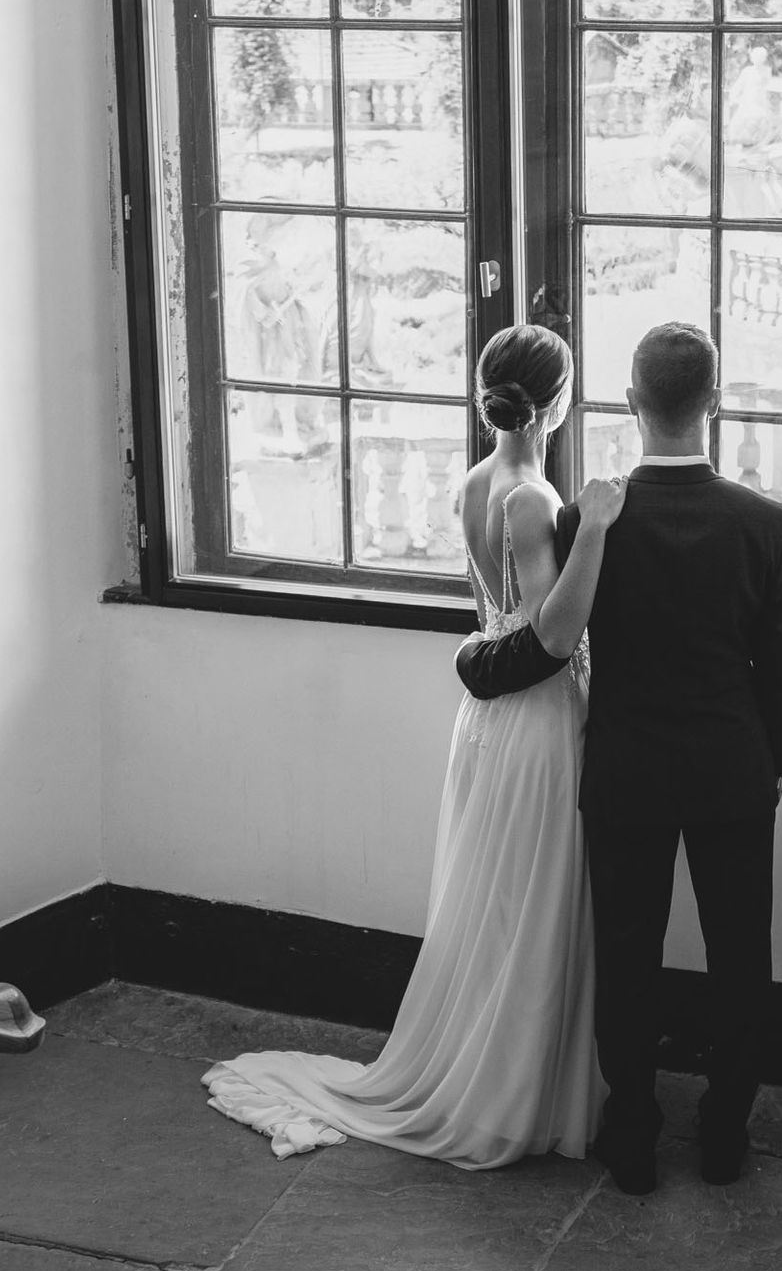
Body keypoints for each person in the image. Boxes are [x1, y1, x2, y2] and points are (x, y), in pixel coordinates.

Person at [200, 325, 624, 1166]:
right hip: (536, 721)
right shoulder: (531, 498)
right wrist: (601, 530)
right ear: (558, 400)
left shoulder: (476, 479)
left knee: (499, 907)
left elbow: (498, 621)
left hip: (487, 723)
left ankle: (503, 1077)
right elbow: (549, 631)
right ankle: (510, 1097)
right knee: (531, 906)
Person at [459, 321, 782, 1195]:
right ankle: (725, 1135)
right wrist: (767, 763)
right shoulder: (763, 522)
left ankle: (635, 1137)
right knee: (740, 960)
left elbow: (560, 639)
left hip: (625, 770)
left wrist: (475, 661)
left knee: (625, 956)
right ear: (714, 405)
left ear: (630, 404)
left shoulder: (587, 520)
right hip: (732, 770)